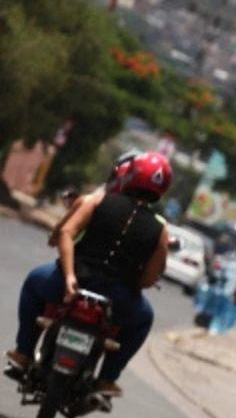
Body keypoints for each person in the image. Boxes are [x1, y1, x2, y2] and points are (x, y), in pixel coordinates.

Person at [7, 152, 172, 398]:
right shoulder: (161, 231)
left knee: (33, 282)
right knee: (144, 318)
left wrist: (71, 276)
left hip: (71, 284)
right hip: (117, 301)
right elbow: (148, 280)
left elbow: (66, 233)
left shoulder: (96, 201)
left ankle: (23, 352)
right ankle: (107, 379)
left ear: (130, 175)